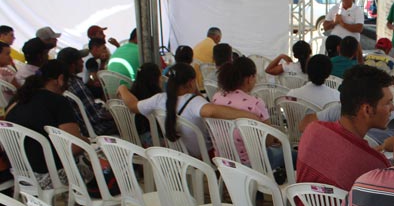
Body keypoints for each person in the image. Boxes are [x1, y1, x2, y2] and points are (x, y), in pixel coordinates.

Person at [296, 64, 393, 206]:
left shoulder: (313, 131)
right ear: (366, 109)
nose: (392, 108)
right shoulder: (376, 164)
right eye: (387, 103)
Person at [117, 63, 262, 158]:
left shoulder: (159, 99)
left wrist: (122, 88)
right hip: (203, 154)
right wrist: (248, 115)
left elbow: (132, 105)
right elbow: (211, 111)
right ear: (192, 82)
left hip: (177, 152)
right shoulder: (194, 103)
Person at [5, 60, 84, 188]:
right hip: (50, 176)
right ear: (60, 79)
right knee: (97, 163)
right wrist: (87, 141)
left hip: (20, 175)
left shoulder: (16, 101)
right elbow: (74, 147)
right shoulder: (58, 101)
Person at [58, 47, 118, 137]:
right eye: (80, 59)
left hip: (84, 128)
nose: (82, 62)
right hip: (98, 129)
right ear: (73, 65)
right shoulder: (76, 85)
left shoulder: (63, 84)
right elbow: (96, 116)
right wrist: (117, 112)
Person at [129, 63, 163, 144]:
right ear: (155, 79)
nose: (161, 80)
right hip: (154, 140)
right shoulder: (156, 99)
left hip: (135, 138)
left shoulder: (132, 94)